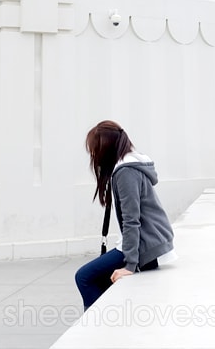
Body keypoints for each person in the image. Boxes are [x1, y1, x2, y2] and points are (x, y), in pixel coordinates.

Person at [75, 121, 175, 310]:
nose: (93, 155)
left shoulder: (125, 172)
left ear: (105, 148)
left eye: (95, 149)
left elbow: (132, 220)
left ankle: (97, 328)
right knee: (101, 281)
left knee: (84, 277)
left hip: (146, 246)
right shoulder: (129, 165)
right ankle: (106, 325)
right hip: (152, 242)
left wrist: (130, 265)